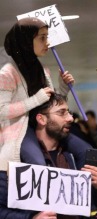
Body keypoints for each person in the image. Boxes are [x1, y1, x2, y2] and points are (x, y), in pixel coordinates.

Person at [0, 93, 97, 219]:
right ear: (41, 119)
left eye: (69, 112)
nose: (70, 118)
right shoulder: (15, 159)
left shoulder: (73, 157)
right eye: (61, 112)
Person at [0, 17, 79, 172]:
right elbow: (2, 110)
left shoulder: (43, 70)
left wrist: (63, 88)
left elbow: (50, 104)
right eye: (42, 38)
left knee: (85, 150)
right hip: (21, 131)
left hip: (44, 126)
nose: (47, 43)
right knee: (39, 166)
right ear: (26, 41)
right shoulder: (7, 74)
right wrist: (36, 99)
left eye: (47, 37)